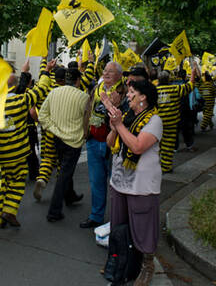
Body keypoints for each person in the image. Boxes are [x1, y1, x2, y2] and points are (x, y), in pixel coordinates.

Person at [102, 79, 163, 286]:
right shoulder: (127, 116)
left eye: (132, 92)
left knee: (143, 227)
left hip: (141, 185)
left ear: (143, 97)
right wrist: (114, 127)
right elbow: (110, 143)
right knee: (119, 225)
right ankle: (120, 264)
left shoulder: (154, 120)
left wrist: (119, 125)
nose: (128, 96)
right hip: (119, 181)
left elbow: (137, 146)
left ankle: (147, 266)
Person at [0, 59, 53, 227]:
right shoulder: (22, 101)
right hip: (18, 155)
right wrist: (46, 70)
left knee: (0, 184)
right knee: (17, 181)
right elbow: (41, 89)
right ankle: (9, 211)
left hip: (0, 154)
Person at [34, 52, 95, 201]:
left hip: (48, 130)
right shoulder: (70, 90)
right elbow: (86, 78)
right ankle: (64, 195)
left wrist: (44, 60)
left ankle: (42, 178)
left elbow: (44, 75)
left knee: (48, 158)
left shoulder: (47, 87)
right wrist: (90, 62)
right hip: (65, 132)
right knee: (63, 166)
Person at [38, 68, 89, 222]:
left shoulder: (54, 92)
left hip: (57, 138)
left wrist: (53, 128)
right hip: (73, 140)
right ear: (77, 80)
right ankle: (54, 211)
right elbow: (87, 120)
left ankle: (70, 196)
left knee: (65, 170)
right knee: (64, 174)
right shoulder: (83, 97)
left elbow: (42, 115)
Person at [80, 61, 125, 228]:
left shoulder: (124, 91)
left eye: (111, 72)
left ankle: (117, 219)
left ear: (119, 75)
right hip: (93, 140)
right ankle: (96, 216)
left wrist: (116, 103)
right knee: (96, 181)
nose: (106, 74)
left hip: (112, 144)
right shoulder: (96, 89)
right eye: (105, 70)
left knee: (115, 183)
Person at [156, 66, 196, 173]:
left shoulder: (154, 91)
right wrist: (193, 72)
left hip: (157, 124)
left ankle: (156, 166)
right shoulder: (175, 89)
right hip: (172, 123)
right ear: (169, 79)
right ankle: (166, 167)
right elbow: (190, 86)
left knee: (157, 146)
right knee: (168, 146)